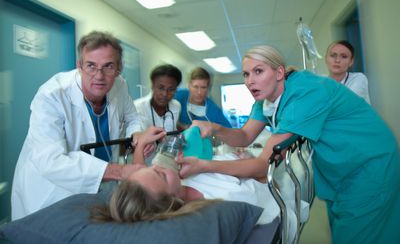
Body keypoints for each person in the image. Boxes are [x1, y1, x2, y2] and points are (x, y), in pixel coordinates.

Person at [178, 45, 400, 244]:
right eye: (246, 74)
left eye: (258, 71)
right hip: (342, 168)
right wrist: (215, 128)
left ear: (279, 73)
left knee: (361, 234)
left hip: (369, 164)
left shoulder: (306, 94)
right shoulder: (266, 97)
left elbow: (263, 166)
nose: (250, 81)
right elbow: (245, 136)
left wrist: (203, 165)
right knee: (346, 231)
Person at [11, 31, 165, 220]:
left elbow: (132, 116)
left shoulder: (120, 85)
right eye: (91, 66)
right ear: (80, 66)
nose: (99, 76)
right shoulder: (51, 96)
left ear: (118, 69)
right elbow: (50, 162)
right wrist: (121, 171)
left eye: (108, 66)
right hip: (51, 193)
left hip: (100, 188)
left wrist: (136, 134)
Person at [90, 136, 283, 232]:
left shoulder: (184, 178)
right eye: (161, 175)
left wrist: (140, 146)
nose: (160, 166)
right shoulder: (228, 201)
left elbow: (143, 174)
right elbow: (265, 178)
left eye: (151, 168)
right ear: (172, 201)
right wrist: (246, 159)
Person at [134, 64, 182, 132]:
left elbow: (175, 128)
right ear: (152, 86)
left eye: (171, 89)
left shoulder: (176, 106)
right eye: (161, 88)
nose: (165, 94)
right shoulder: (137, 107)